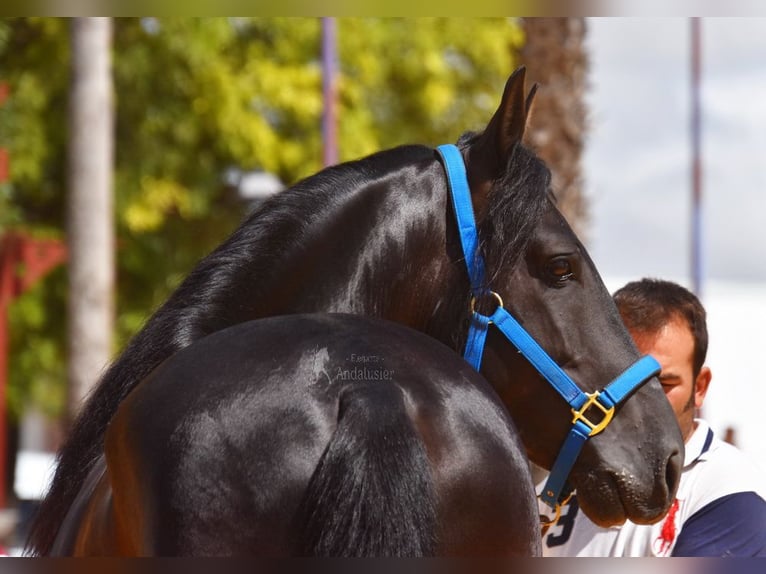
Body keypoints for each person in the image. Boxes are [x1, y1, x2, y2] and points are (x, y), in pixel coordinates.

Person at [540, 278, 766, 557]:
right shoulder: (549, 490)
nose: (639, 405)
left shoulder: (729, 490)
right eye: (621, 381)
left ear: (699, 387)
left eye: (663, 384)